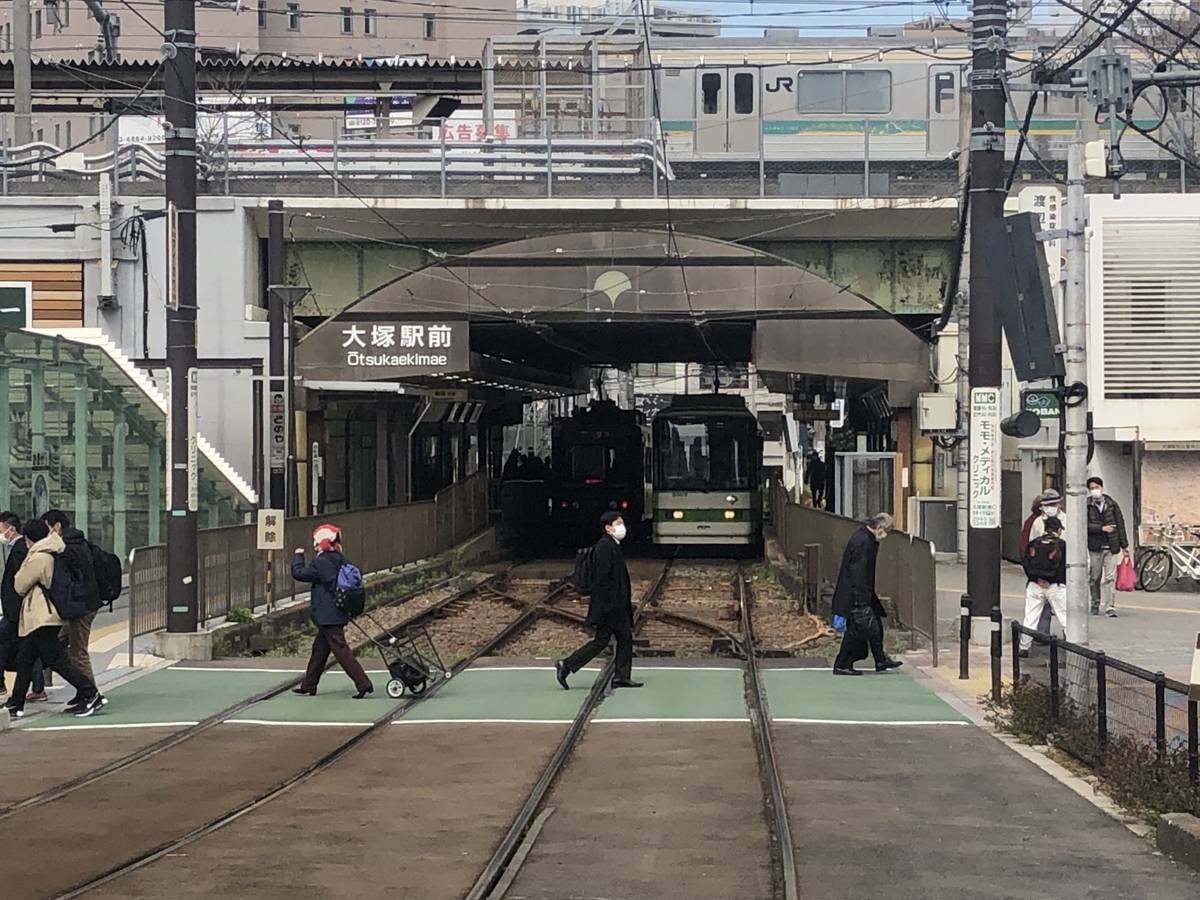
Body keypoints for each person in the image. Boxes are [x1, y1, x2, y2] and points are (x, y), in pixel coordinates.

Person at [4, 518, 104, 719]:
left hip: (42, 616)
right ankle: (16, 702)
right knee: (25, 658)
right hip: (43, 616)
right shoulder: (53, 550)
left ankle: (91, 692)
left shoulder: (39, 557)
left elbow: (19, 584)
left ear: (28, 538)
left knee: (57, 661)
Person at [555, 511, 641, 690]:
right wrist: (607, 606)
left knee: (621, 638)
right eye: (618, 523)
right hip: (610, 606)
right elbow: (601, 579)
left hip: (614, 605)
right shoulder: (604, 547)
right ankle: (567, 665)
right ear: (608, 528)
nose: (621, 527)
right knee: (605, 641)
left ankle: (621, 676)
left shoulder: (612, 545)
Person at [290, 524, 374, 699]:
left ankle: (363, 683)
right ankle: (309, 685)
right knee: (319, 650)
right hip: (338, 610)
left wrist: (298, 555)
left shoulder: (321, 562)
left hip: (328, 614)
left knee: (341, 650)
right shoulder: (340, 558)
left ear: (321, 543)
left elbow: (299, 573)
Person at [42, 510, 104, 712]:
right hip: (84, 603)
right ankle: (83, 690)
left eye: (47, 528)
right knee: (61, 645)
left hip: (81, 606)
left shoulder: (67, 547)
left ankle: (91, 694)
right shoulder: (80, 542)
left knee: (78, 652)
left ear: (56, 527)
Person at [830, 512, 904, 676]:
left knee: (872, 624)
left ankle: (880, 659)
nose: (886, 533)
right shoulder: (864, 542)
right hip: (857, 595)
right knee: (862, 629)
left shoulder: (863, 538)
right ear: (878, 528)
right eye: (886, 530)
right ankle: (844, 663)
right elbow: (859, 571)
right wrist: (861, 598)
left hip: (859, 593)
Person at [1, 512, 46, 703]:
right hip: (18, 609)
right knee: (28, 647)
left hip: (17, 609)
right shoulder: (17, 548)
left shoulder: (20, 549)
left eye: (1, 529)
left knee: (27, 646)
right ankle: (36, 688)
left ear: (12, 529)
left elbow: (22, 581)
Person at [1018, 517, 1068, 657]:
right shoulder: (1062, 545)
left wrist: (1036, 579)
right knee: (1065, 618)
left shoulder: (1034, 544)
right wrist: (1050, 580)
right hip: (1055, 587)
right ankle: (1073, 650)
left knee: (1030, 617)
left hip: (1034, 585)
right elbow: (1063, 568)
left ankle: (1024, 648)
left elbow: (1026, 562)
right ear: (1059, 530)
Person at [1086, 476, 1128, 617]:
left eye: (1097, 487)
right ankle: (1095, 603)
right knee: (1094, 577)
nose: (1095, 490)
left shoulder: (1112, 504)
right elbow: (1083, 525)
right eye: (1092, 488)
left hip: (1111, 546)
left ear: (1102, 488)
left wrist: (1124, 545)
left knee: (1110, 577)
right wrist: (1101, 528)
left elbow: (1120, 525)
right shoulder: (1086, 505)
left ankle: (1110, 606)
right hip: (1095, 547)